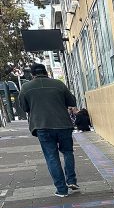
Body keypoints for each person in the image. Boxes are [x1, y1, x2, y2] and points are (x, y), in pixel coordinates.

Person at [18, 63, 79, 198]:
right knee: (68, 152)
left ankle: (62, 190)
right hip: (63, 124)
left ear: (32, 74)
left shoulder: (26, 87)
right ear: (46, 72)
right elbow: (72, 101)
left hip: (42, 126)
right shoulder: (58, 84)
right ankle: (71, 180)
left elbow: (24, 107)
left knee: (52, 157)